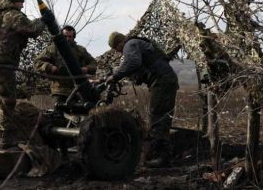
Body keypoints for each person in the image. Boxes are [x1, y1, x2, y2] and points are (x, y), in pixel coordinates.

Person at [0, 0, 52, 149]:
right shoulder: (13, 15)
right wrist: (44, 20)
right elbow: (32, 30)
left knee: (2, 99)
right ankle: (6, 138)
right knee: (8, 100)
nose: (22, 6)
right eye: (21, 3)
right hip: (2, 61)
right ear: (15, 2)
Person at [106, 31, 179, 167]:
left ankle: (162, 158)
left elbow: (133, 62)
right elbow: (138, 68)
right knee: (161, 116)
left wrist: (115, 76)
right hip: (164, 80)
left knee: (158, 117)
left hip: (162, 81)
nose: (119, 52)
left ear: (119, 43)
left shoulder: (130, 44)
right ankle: (162, 155)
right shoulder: (136, 44)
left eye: (117, 49)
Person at [34, 25, 97, 104]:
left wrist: (86, 69)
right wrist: (49, 67)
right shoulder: (53, 49)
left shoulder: (80, 50)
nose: (67, 39)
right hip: (59, 91)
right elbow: (37, 62)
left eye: (70, 36)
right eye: (65, 36)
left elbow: (93, 63)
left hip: (78, 91)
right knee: (58, 113)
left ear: (73, 37)